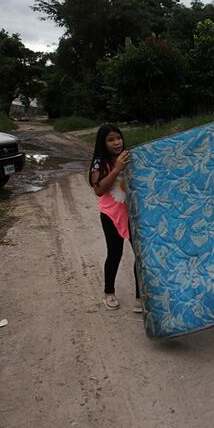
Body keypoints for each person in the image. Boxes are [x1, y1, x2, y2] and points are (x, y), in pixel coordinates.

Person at [89, 124, 141, 312]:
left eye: (118, 138)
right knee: (114, 253)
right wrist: (117, 168)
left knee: (140, 255)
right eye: (110, 140)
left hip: (133, 214)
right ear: (103, 143)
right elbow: (99, 190)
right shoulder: (99, 162)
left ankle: (139, 298)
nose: (116, 142)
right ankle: (108, 293)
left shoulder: (130, 156)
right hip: (111, 214)